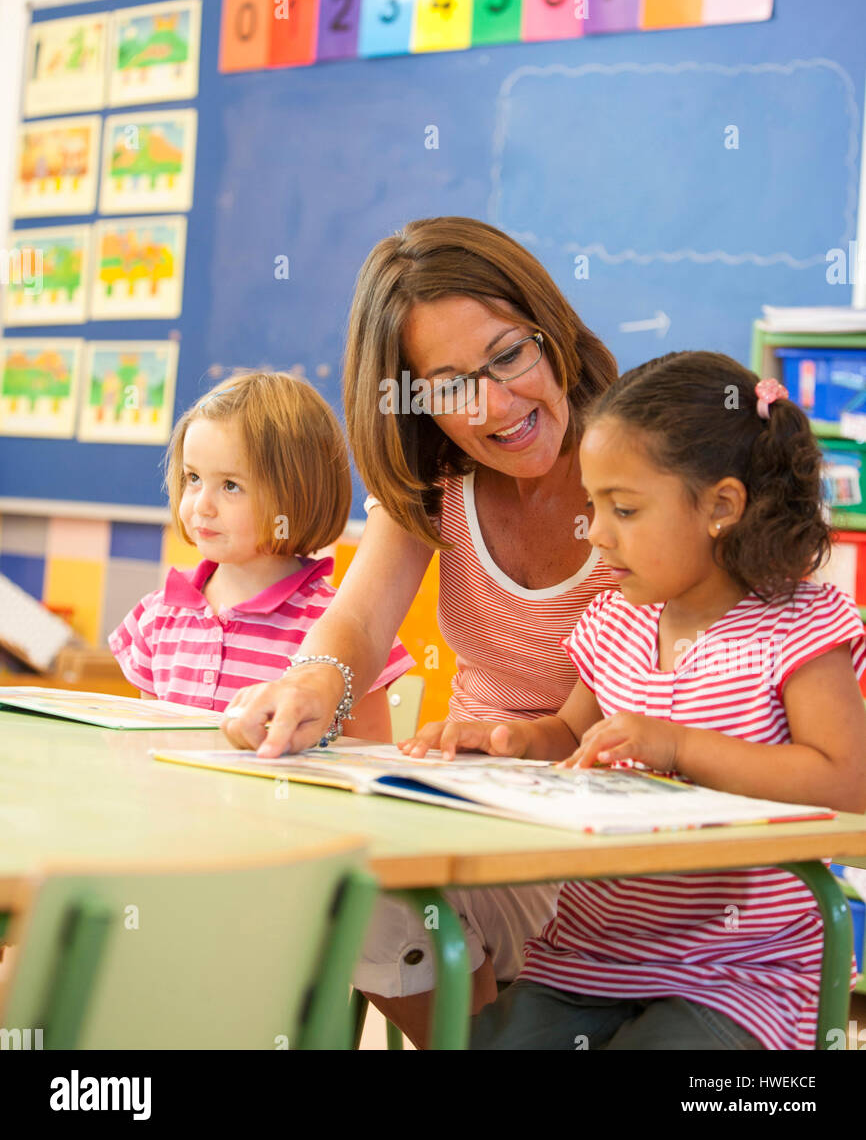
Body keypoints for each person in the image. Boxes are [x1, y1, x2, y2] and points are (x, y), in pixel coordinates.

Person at [223, 217, 620, 1047]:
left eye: (509, 355)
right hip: (484, 817)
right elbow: (359, 618)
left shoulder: (641, 460)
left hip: (620, 825)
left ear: (552, 329)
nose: (497, 405)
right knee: (328, 874)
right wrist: (312, 682)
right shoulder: (439, 485)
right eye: (447, 386)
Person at [450, 352, 866, 1051]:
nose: (597, 533)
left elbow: (848, 785)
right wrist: (512, 740)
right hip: (590, 960)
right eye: (592, 506)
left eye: (625, 508)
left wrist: (679, 747)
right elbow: (570, 733)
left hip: (740, 975)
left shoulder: (799, 626)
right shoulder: (615, 621)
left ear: (722, 507)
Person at [109, 371, 412, 720]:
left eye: (230, 485)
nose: (202, 505)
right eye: (193, 478)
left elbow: (366, 757)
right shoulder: (158, 615)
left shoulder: (340, 630)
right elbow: (145, 742)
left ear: (294, 495)